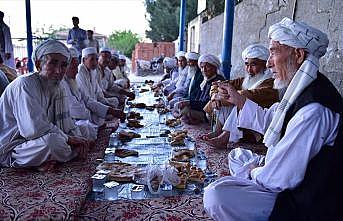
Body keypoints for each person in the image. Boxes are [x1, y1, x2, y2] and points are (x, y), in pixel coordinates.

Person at [203, 17, 343, 221]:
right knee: (238, 155)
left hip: (304, 198)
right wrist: (238, 99)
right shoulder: (300, 89)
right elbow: (271, 120)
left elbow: (282, 179)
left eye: (274, 52)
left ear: (298, 54)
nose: (268, 63)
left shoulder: (314, 108)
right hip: (285, 175)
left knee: (216, 195)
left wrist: (254, 172)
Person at [0, 39, 91, 170]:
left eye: (64, 65)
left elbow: (66, 123)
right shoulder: (25, 84)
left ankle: (42, 161)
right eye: (53, 63)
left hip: (36, 142)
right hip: (13, 147)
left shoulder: (58, 88)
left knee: (82, 131)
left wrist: (76, 137)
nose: (59, 70)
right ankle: (31, 162)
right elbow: (33, 130)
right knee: (52, 143)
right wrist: (69, 139)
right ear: (38, 64)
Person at [200, 44, 279, 147]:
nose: (249, 69)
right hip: (241, 126)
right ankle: (218, 131)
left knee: (241, 102)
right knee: (222, 100)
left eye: (253, 65)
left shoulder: (270, 83)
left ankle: (225, 137)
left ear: (265, 65)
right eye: (246, 64)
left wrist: (220, 97)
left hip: (256, 129)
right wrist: (215, 95)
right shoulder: (244, 80)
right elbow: (216, 84)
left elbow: (248, 96)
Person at [61, 47, 123, 140]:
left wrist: (107, 108)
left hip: (87, 111)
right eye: (73, 67)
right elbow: (76, 108)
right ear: (84, 60)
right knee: (86, 128)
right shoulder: (75, 76)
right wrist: (101, 111)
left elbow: (93, 96)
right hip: (79, 117)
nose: (76, 71)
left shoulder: (91, 73)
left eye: (96, 59)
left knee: (90, 127)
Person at [179, 54, 225, 124]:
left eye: (207, 67)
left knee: (185, 112)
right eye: (202, 67)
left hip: (210, 114)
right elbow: (198, 98)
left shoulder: (218, 81)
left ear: (214, 67)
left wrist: (190, 103)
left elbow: (208, 104)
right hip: (201, 109)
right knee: (182, 108)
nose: (204, 70)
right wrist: (188, 102)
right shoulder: (206, 81)